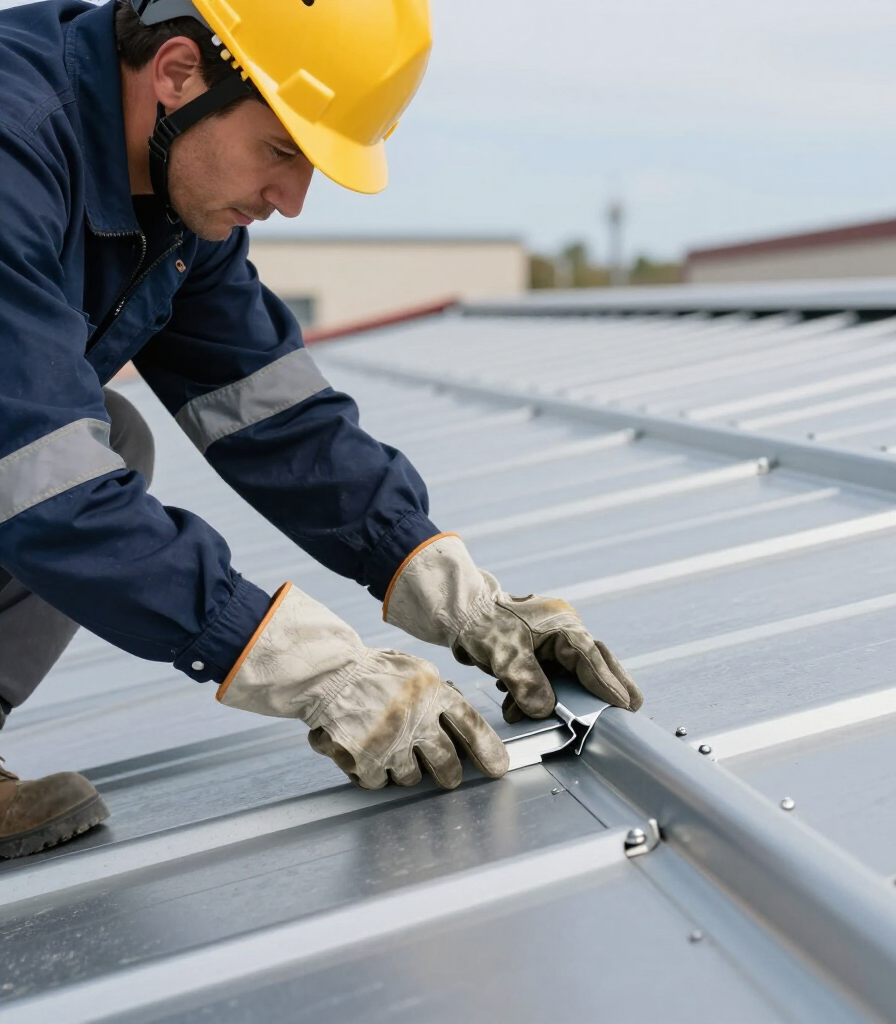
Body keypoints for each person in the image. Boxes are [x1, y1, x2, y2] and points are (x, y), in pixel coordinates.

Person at [0, 0, 643, 861]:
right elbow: (39, 473)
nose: (292, 200)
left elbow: (273, 418)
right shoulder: (14, 141)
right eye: (281, 150)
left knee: (113, 440)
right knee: (63, 463)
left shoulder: (174, 195)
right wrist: (317, 671)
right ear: (179, 72)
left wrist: (459, 594)